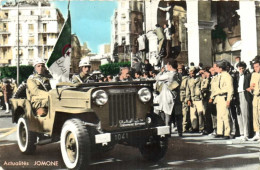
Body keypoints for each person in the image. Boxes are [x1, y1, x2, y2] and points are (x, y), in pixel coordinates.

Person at [213, 60, 234, 139]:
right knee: (219, 115)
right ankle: (220, 131)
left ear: (221, 68)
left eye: (217, 67)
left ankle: (227, 132)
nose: (216, 69)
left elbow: (230, 89)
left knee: (225, 115)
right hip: (218, 97)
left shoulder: (227, 76)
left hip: (224, 96)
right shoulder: (219, 76)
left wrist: (229, 99)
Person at [235, 62, 252, 141]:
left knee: (245, 114)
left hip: (245, 94)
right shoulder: (237, 76)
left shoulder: (248, 75)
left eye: (242, 68)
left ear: (245, 68)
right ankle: (242, 133)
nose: (241, 70)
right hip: (238, 95)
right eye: (239, 68)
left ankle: (246, 133)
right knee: (239, 114)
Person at [186, 66, 205, 133]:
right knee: (193, 114)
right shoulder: (189, 80)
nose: (192, 74)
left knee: (200, 113)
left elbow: (202, 87)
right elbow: (188, 90)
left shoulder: (199, 79)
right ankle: (194, 127)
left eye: (193, 72)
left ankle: (201, 127)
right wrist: (188, 99)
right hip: (192, 98)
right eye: (190, 73)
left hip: (199, 98)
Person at [248, 60, 260, 141]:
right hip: (255, 96)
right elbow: (252, 85)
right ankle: (257, 133)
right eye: (254, 67)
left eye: (257, 66)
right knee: (255, 115)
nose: (256, 68)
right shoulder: (254, 75)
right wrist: (251, 89)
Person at [178, 64, 189, 132]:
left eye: (181, 70)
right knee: (179, 113)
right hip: (177, 98)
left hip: (184, 97)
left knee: (185, 113)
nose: (180, 71)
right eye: (178, 70)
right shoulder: (176, 78)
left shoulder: (186, 79)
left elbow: (187, 89)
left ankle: (184, 127)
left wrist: (187, 98)